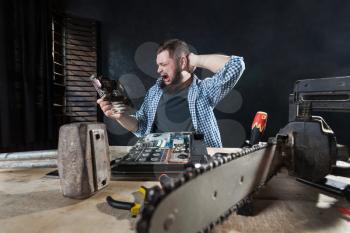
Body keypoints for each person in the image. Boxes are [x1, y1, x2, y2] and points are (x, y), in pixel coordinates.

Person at [97, 39, 245, 147]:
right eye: (158, 65)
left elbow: (236, 65)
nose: (158, 70)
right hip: (158, 160)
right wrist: (120, 116)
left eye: (163, 64)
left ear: (181, 63)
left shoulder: (204, 90)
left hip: (198, 162)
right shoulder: (154, 93)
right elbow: (140, 127)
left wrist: (193, 59)